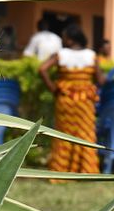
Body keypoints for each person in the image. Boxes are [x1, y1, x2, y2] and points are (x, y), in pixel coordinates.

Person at [39, 24, 104, 175]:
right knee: (86, 135)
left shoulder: (60, 55)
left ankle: (61, 171)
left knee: (64, 135)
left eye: (64, 37)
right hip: (85, 102)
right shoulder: (92, 56)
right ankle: (87, 172)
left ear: (69, 40)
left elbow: (42, 69)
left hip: (65, 100)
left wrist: (53, 89)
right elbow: (100, 80)